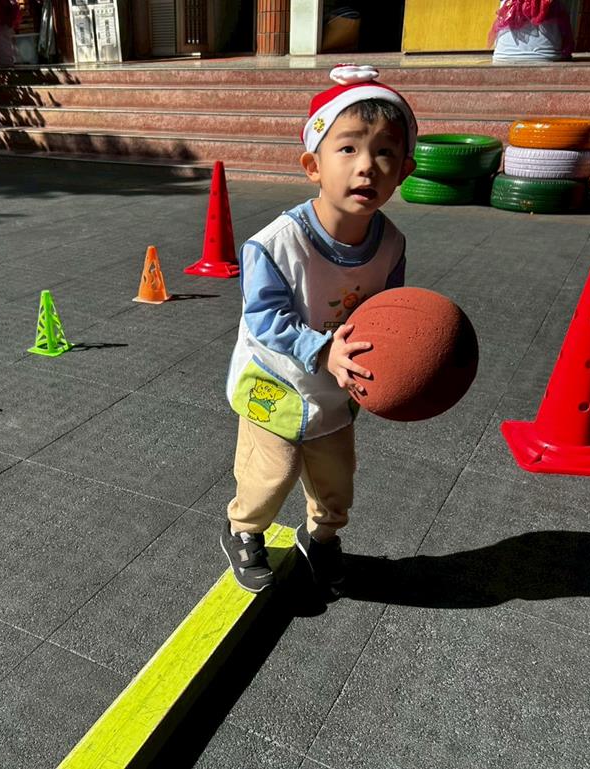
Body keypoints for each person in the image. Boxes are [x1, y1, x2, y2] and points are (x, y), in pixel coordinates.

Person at [220, 65, 417, 597]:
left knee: (337, 481)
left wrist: (401, 360)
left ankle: (322, 538)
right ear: (313, 165)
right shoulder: (275, 244)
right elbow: (264, 320)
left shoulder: (391, 244)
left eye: (385, 153)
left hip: (336, 385)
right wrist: (324, 348)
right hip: (275, 377)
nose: (367, 166)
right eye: (348, 148)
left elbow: (388, 311)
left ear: (404, 170)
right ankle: (243, 529)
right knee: (270, 474)